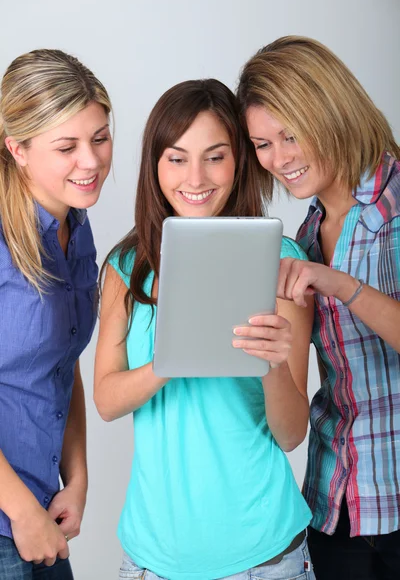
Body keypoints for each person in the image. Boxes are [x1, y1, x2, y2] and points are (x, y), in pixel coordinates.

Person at [94, 78, 316, 580]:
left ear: (238, 161)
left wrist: (274, 365)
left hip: (263, 557)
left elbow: (291, 433)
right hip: (151, 560)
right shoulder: (127, 268)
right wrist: (173, 357)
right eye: (176, 157)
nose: (195, 176)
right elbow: (106, 401)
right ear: (155, 165)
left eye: (215, 156)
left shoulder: (283, 264)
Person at [236, 35, 400, 580]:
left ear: (329, 110)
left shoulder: (396, 204)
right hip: (336, 508)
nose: (279, 159)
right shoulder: (301, 238)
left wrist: (339, 283)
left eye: (290, 134)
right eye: (262, 144)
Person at [0, 49, 112, 579]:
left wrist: (78, 478)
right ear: (17, 148)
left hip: (42, 510)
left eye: (99, 138)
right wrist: (21, 512)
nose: (89, 161)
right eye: (66, 146)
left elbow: (60, 364)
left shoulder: (77, 226)